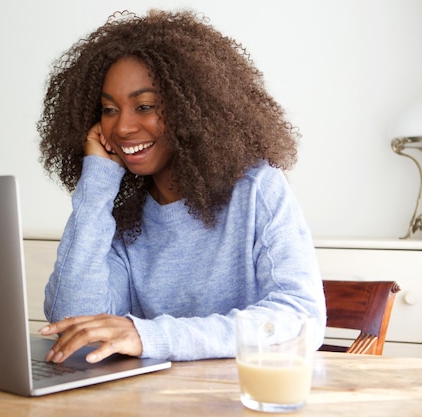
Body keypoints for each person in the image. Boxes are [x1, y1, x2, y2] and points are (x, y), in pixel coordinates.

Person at [36, 9, 326, 364]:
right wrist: (96, 184)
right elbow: (74, 325)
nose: (122, 127)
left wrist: (150, 336)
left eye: (144, 106)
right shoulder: (118, 212)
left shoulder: (256, 189)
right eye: (109, 110)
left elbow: (300, 316)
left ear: (193, 111)